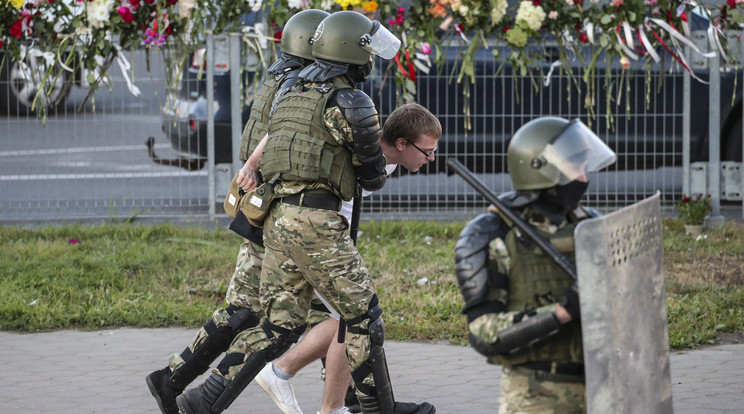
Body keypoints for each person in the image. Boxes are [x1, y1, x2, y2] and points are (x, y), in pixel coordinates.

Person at [175, 11, 439, 414]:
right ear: (354, 51)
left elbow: (270, 140)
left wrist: (248, 168)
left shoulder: (292, 92)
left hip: (279, 219)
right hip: (317, 223)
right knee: (363, 317)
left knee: (279, 323)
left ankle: (201, 399)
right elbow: (371, 176)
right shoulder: (350, 102)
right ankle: (376, 410)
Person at [145, 9, 330, 414]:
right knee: (309, 311)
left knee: (282, 309)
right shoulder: (300, 85)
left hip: (265, 210)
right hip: (278, 212)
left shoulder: (278, 79)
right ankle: (178, 382)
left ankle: (174, 378)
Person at [254, 102, 442, 414]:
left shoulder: (388, 160)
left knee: (345, 317)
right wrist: (248, 167)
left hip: (323, 235)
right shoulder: (362, 147)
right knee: (356, 317)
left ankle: (325, 399)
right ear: (401, 144)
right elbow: (279, 131)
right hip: (314, 233)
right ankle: (289, 377)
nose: (431, 158)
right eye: (427, 151)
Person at [453, 116, 616, 414]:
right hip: (536, 397)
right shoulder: (493, 234)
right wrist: (563, 312)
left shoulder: (589, 224)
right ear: (541, 168)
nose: (583, 177)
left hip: (604, 390)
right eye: (574, 166)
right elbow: (483, 333)